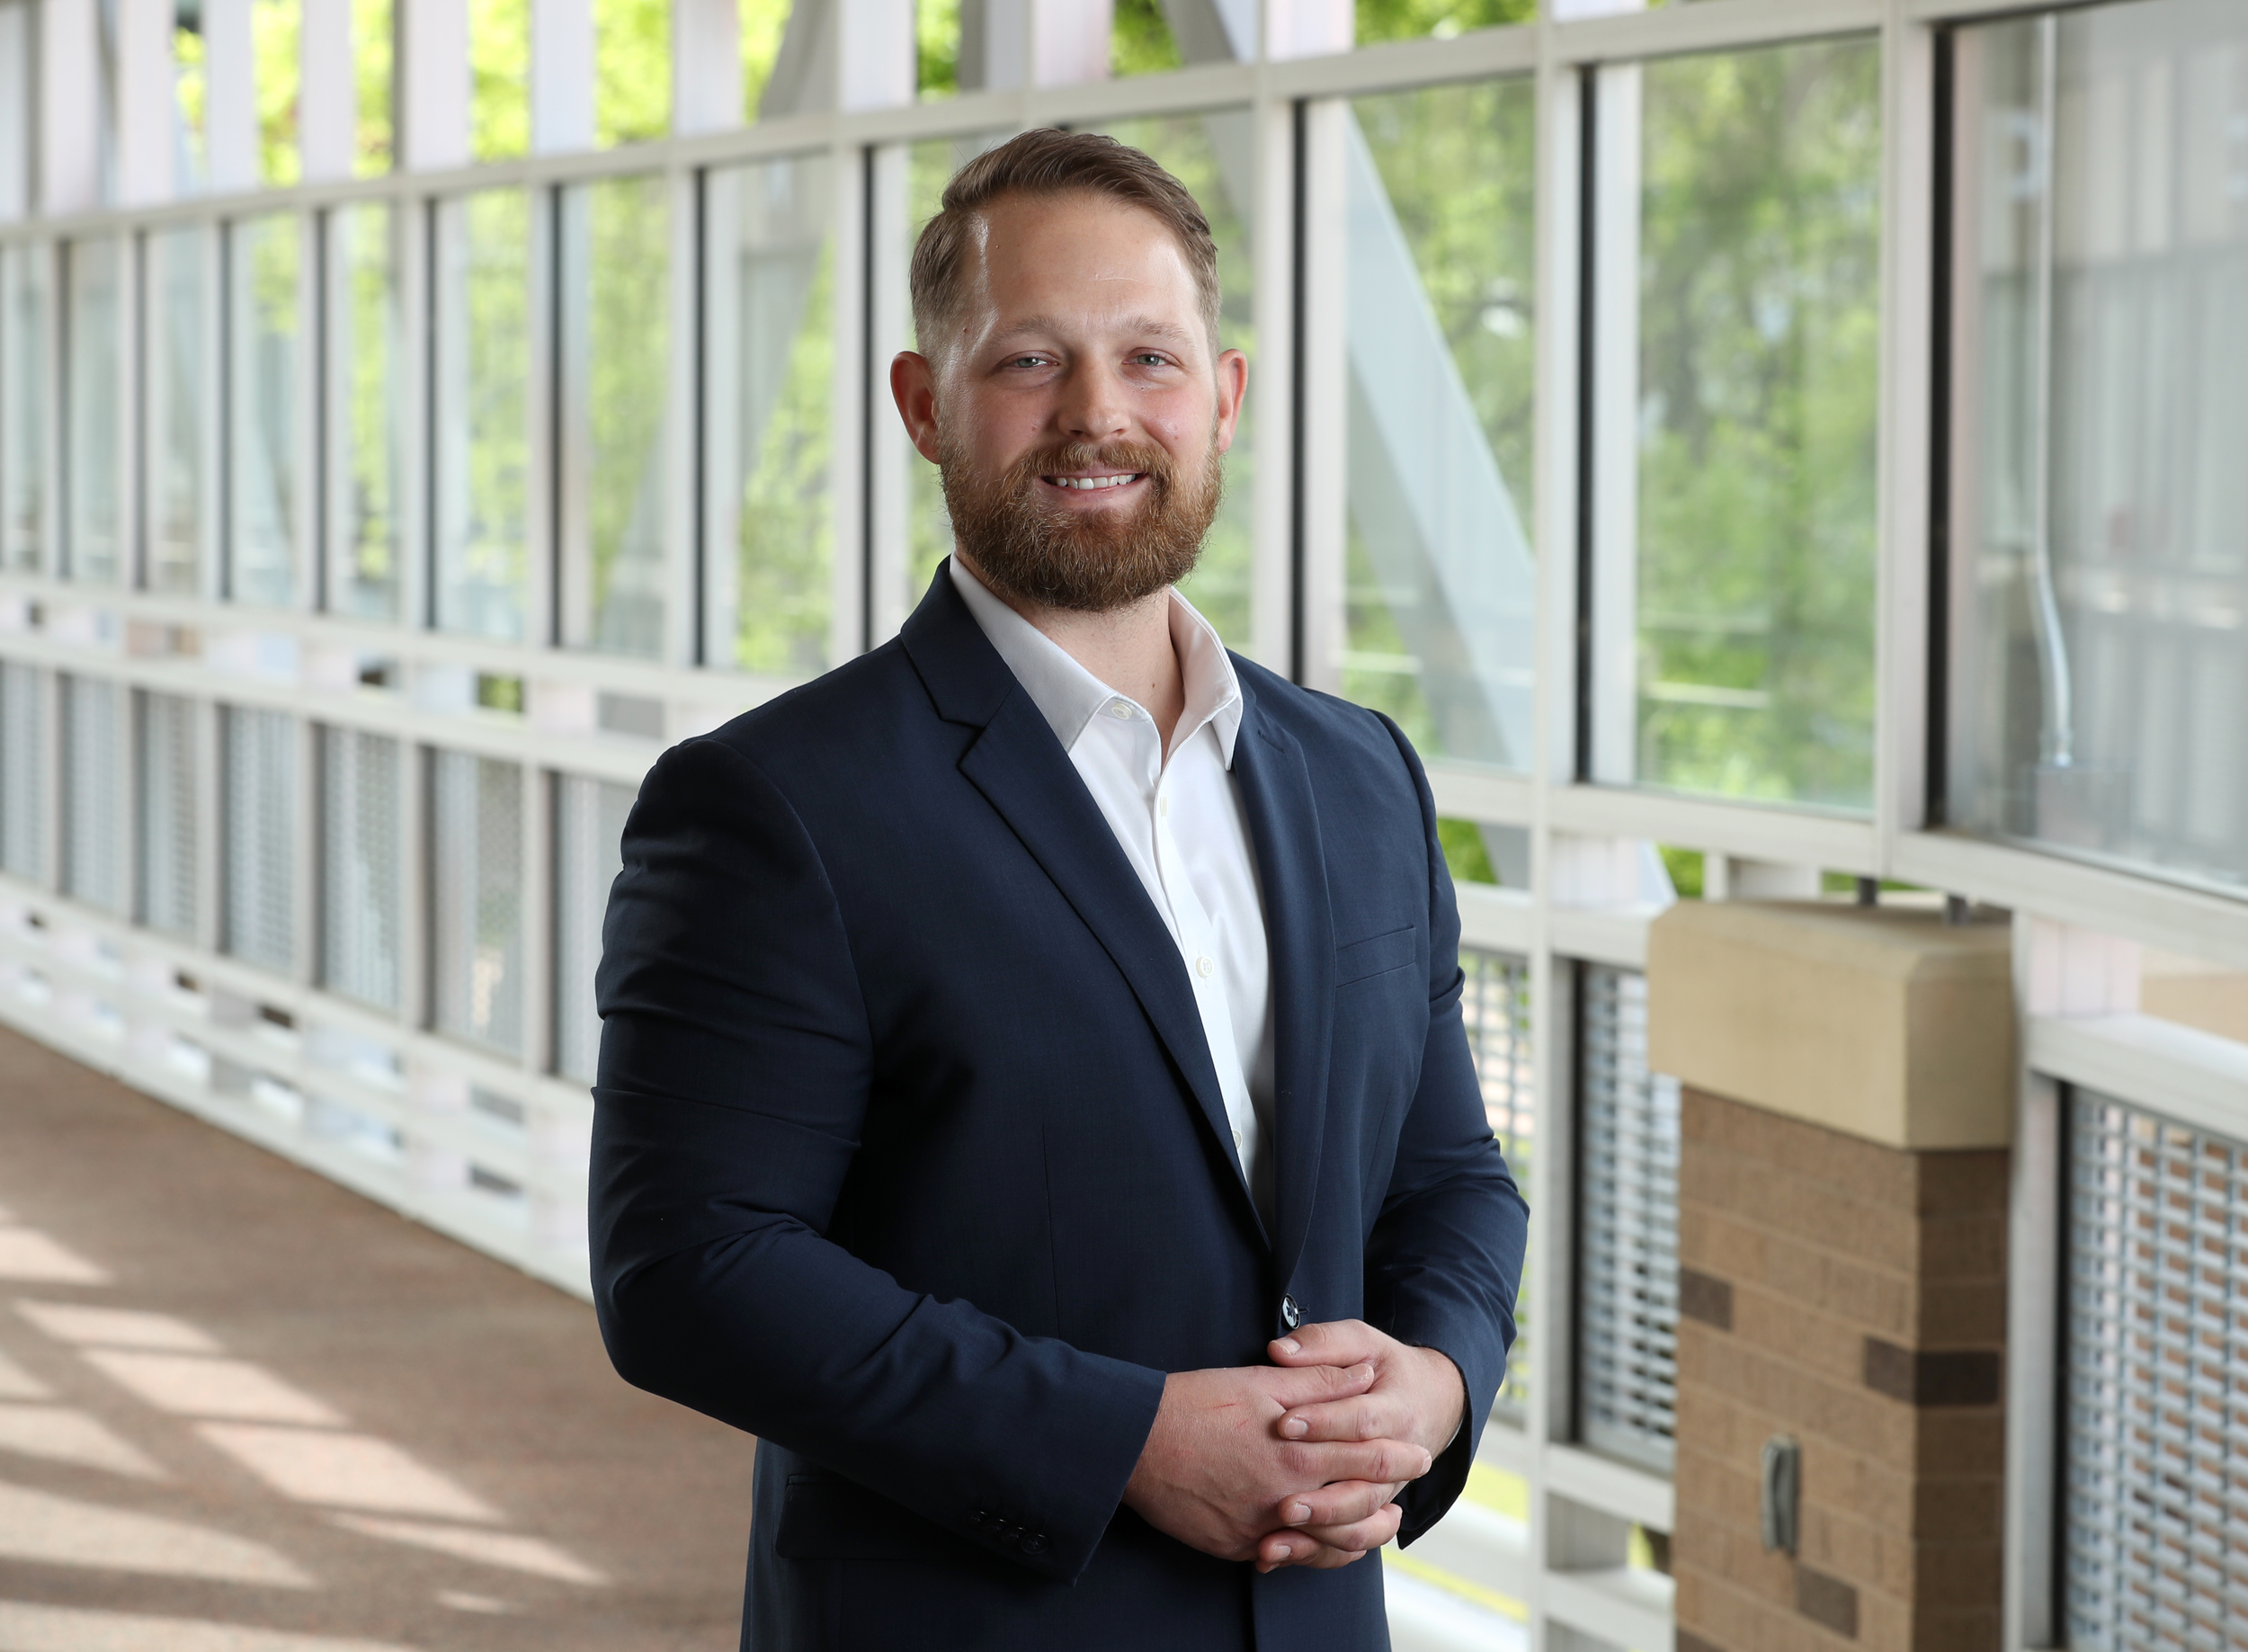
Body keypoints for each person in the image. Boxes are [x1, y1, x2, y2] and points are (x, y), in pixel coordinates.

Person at [591, 128, 1527, 1651]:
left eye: (1151, 358)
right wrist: (1128, 1443)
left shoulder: (1360, 776)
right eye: (1032, 359)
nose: (1100, 414)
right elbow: (690, 1267)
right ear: (924, 403)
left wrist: (1432, 1386)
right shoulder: (774, 804)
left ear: (1222, 399)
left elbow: (1448, 1181)